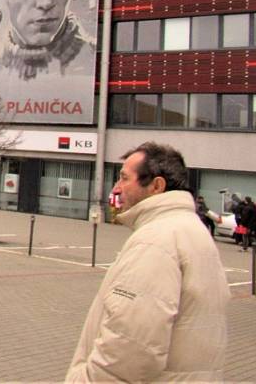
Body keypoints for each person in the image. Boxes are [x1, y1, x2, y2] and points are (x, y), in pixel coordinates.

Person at [66, 142, 230, 382]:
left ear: (156, 186)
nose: (116, 188)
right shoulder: (191, 229)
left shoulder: (156, 240)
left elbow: (128, 348)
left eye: (124, 178)